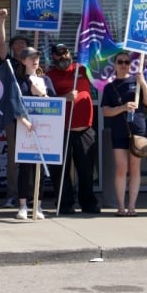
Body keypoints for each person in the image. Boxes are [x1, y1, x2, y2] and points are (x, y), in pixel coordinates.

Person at [46, 43, 101, 215]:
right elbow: (47, 100)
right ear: (53, 56)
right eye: (58, 53)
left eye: (65, 52)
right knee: (61, 170)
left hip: (85, 129)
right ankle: (64, 203)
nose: (62, 56)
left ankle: (88, 203)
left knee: (86, 170)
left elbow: (102, 73)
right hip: (62, 129)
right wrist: (65, 98)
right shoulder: (50, 75)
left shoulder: (83, 69)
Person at [101, 51, 147, 217]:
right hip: (119, 131)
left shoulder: (137, 82)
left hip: (138, 129)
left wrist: (143, 83)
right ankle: (121, 206)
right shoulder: (110, 87)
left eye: (126, 62)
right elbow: (105, 111)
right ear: (115, 65)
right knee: (121, 168)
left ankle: (132, 206)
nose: (123, 65)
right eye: (120, 62)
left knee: (135, 168)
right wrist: (122, 108)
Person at [14, 47, 55, 220]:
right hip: (24, 127)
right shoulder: (18, 80)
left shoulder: (45, 79)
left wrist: (42, 93)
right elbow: (13, 102)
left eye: (36, 57)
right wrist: (23, 121)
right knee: (25, 168)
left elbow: (55, 104)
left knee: (40, 166)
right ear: (23, 61)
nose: (34, 60)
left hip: (43, 128)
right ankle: (23, 205)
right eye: (30, 57)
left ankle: (37, 205)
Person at [0, 8, 29, 208]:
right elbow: (0, 44)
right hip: (12, 116)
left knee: (30, 158)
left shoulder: (33, 64)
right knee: (13, 158)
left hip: (33, 117)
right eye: (16, 45)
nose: (19, 47)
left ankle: (30, 193)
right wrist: (1, 21)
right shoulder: (7, 64)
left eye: (23, 44)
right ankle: (12, 194)